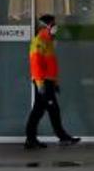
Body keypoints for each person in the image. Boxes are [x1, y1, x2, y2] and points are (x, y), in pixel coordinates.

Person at [24, 14, 81, 149]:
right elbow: (36, 64)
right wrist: (40, 84)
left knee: (45, 110)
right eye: (53, 25)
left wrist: (54, 83)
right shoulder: (39, 41)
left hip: (47, 82)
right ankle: (38, 139)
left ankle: (33, 139)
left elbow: (50, 66)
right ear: (46, 26)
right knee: (44, 110)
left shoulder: (48, 41)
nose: (55, 28)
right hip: (42, 82)